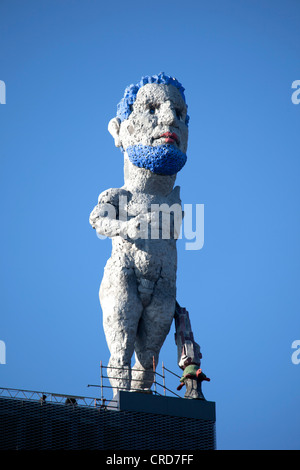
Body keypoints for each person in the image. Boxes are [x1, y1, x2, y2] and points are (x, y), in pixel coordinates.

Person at [90, 73, 189, 394]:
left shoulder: (174, 201)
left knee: (149, 359)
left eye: (180, 113)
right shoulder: (119, 196)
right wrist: (124, 227)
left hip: (164, 283)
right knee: (120, 352)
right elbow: (97, 221)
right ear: (119, 130)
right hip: (124, 275)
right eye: (151, 108)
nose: (170, 119)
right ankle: (120, 412)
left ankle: (138, 415)